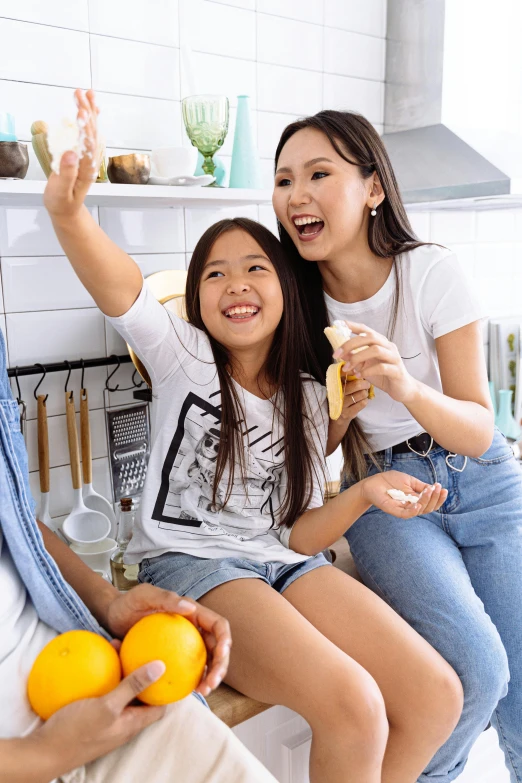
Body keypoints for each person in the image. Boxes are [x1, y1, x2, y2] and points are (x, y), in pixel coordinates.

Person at [42, 89, 463, 783]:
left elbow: (294, 532)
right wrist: (69, 213)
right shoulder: (182, 355)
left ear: (287, 290)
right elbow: (121, 287)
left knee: (436, 693)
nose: (235, 282)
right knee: (356, 706)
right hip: (192, 565)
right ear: (199, 301)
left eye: (255, 268)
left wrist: (363, 489)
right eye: (215, 272)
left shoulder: (307, 395)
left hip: (282, 562)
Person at [272, 109, 522, 783]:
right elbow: (310, 450)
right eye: (284, 179)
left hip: (486, 481)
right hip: (389, 490)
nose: (297, 195)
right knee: (479, 668)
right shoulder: (296, 308)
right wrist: (338, 412)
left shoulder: (431, 272)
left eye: (319, 174)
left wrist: (406, 386)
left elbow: (479, 427)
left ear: (373, 188)